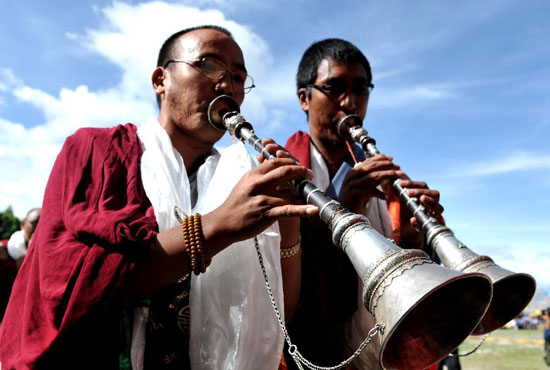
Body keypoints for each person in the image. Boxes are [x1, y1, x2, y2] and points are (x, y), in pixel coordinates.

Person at [0, 25, 317, 370]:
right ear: (160, 80)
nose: (227, 86)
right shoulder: (98, 152)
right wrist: (218, 225)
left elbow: (274, 317)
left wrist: (287, 229)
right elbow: (77, 290)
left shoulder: (236, 179)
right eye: (209, 66)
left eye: (239, 78)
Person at [284, 38, 444, 369]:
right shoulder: (281, 173)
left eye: (361, 89)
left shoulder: (387, 183)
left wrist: (418, 241)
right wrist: (347, 205)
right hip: (306, 348)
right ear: (304, 98)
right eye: (334, 88)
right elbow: (282, 278)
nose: (350, 102)